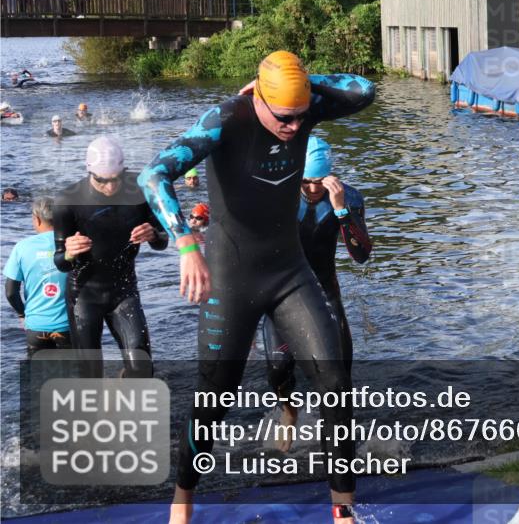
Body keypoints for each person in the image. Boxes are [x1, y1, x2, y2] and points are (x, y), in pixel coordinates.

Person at [138, 50, 374, 524]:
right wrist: (185, 241)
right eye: (285, 118)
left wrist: (307, 84)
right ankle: (182, 498)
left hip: (289, 271)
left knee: (335, 384)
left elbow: (364, 90)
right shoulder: (225, 119)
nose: (293, 127)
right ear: (260, 99)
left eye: (301, 118)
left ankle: (342, 510)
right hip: (231, 276)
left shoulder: (305, 107)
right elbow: (153, 175)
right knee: (216, 392)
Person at [261, 136, 372, 450]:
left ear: (331, 177)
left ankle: (336, 443)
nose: (312, 190)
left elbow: (362, 254)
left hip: (325, 291)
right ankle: (289, 411)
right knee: (278, 367)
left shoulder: (348, 197)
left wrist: (340, 212)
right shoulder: (276, 196)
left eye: (319, 183)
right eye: (306, 182)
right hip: (282, 294)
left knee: (339, 376)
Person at [52, 136, 168, 379]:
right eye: (102, 180)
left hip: (124, 291)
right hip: (84, 295)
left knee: (142, 369)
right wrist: (70, 252)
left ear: (123, 171)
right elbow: (60, 262)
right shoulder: (67, 201)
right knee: (90, 375)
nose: (109, 187)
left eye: (115, 179)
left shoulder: (139, 190)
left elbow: (163, 242)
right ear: (89, 171)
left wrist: (153, 234)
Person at [4, 197, 72, 358]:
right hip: (68, 327)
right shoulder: (73, 244)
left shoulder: (22, 247)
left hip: (36, 327)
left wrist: (22, 314)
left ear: (37, 219)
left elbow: (10, 292)